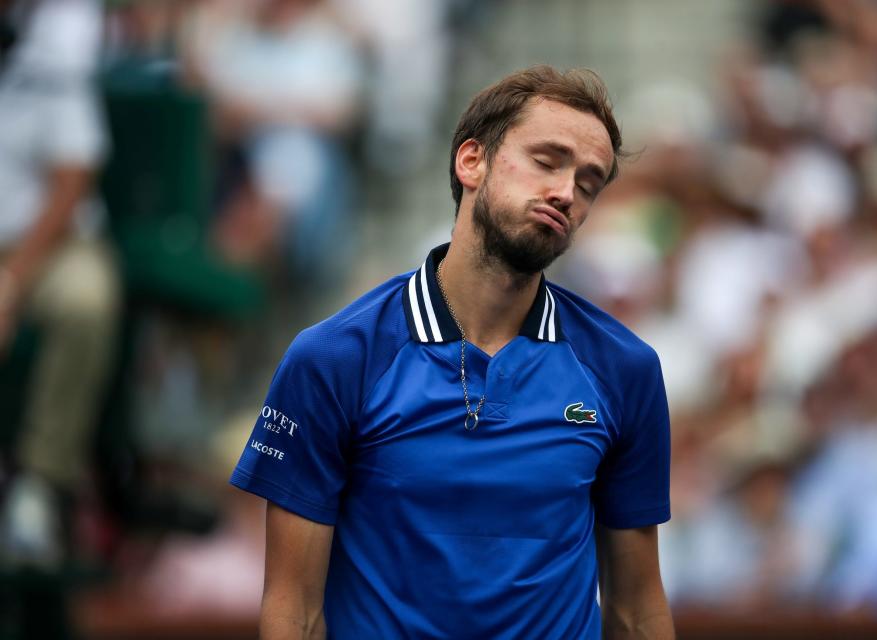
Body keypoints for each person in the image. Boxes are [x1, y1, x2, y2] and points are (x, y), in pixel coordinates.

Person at [231, 65, 674, 639]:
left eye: (589, 183)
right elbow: (294, 611)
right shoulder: (333, 358)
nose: (566, 193)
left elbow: (636, 612)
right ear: (472, 161)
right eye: (547, 161)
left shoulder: (626, 370)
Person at [0, 0, 119, 568]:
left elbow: (71, 181)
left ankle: (41, 487)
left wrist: (11, 280)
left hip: (50, 246)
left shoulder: (50, 62)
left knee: (85, 300)